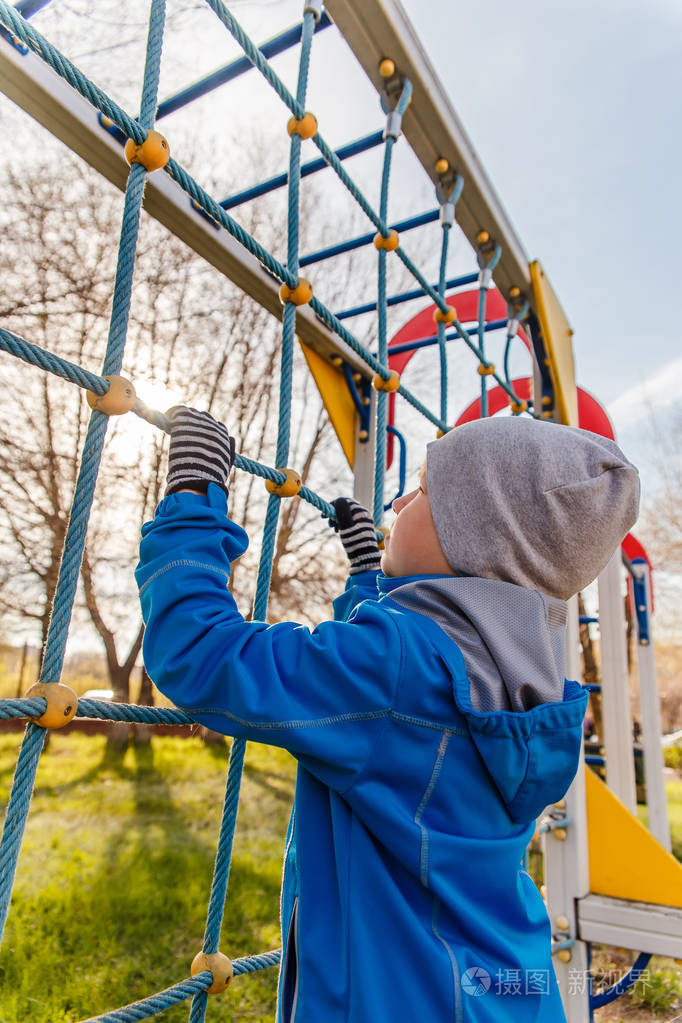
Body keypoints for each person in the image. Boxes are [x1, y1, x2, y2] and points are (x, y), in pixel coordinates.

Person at [136, 410, 640, 1023]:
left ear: (473, 539)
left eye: (424, 489)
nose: (399, 499)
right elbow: (396, 707)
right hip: (500, 987)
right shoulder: (528, 670)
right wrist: (370, 586)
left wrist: (194, 496)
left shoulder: (393, 669)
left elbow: (200, 655)